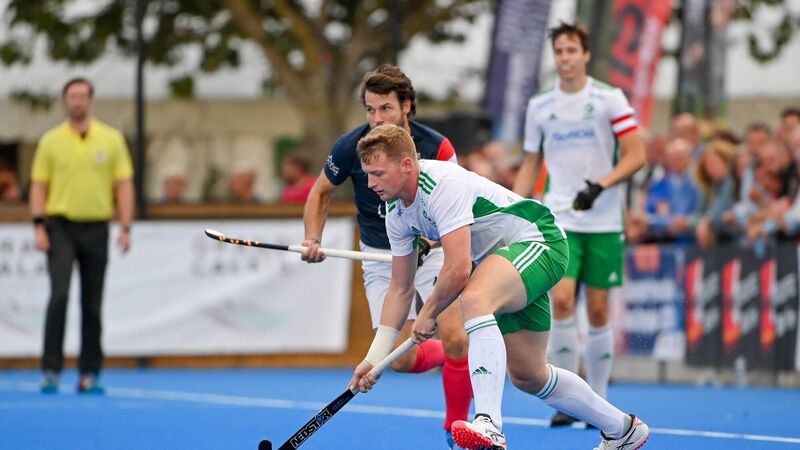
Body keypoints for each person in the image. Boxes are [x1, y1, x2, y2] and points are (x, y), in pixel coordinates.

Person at [349, 124, 649, 450]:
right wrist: (375, 358)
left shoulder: (441, 185)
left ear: (407, 164)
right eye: (367, 174)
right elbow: (400, 288)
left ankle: (489, 424)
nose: (371, 183)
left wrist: (429, 313)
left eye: (378, 173)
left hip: (540, 241)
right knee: (529, 375)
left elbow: (458, 269)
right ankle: (623, 429)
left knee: (475, 298)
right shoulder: (395, 212)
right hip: (504, 262)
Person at [301, 64, 472, 449]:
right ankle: (450, 355)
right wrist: (313, 237)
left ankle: (456, 427)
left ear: (406, 106)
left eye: (385, 108)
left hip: (432, 250)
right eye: (370, 109)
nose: (376, 119)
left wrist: (432, 242)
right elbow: (320, 193)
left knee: (457, 336)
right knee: (400, 359)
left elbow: (457, 206)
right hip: (382, 255)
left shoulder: (437, 147)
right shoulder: (352, 146)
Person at [512, 22, 646, 427]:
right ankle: (570, 402)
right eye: (559, 51)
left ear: (585, 55)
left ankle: (598, 401)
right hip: (560, 217)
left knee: (599, 309)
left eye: (572, 50)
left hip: (603, 220)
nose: (565, 58)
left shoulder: (609, 98)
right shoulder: (540, 106)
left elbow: (636, 154)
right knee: (563, 301)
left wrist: (601, 185)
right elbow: (531, 161)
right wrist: (513, 208)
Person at [30, 77, 134, 394]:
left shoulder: (111, 139)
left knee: (92, 302)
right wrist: (38, 225)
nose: (77, 101)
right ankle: (51, 369)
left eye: (82, 96)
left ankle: (90, 372)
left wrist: (125, 226)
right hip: (60, 227)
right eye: (72, 96)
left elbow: (123, 184)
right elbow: (39, 185)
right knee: (59, 295)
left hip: (97, 227)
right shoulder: (50, 141)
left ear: (90, 100)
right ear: (65, 100)